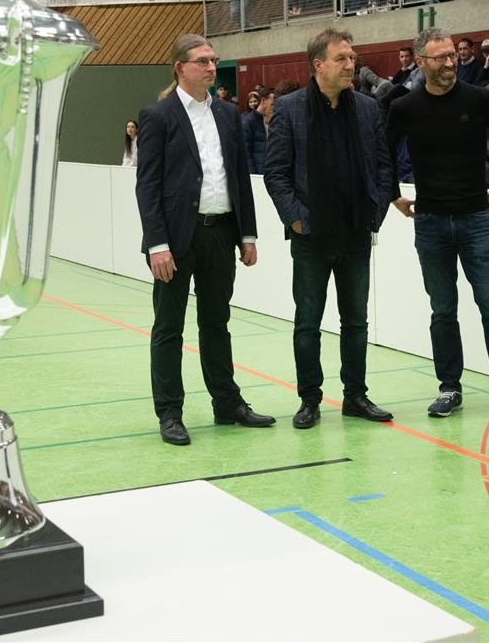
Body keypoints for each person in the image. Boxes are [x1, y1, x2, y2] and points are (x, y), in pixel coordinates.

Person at [386, 28, 489, 421]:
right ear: (420, 62)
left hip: (476, 220)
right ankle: (449, 387)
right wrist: (393, 196)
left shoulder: (478, 98)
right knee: (443, 310)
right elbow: (381, 153)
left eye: (452, 55)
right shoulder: (405, 107)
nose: (450, 62)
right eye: (440, 57)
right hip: (430, 222)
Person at [135, 34, 273, 446]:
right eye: (202, 61)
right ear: (180, 68)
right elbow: (148, 186)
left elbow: (239, 179)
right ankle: (170, 412)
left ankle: (226, 403)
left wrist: (247, 233)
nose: (211, 67)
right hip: (176, 241)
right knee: (169, 328)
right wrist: (156, 244)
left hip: (221, 233)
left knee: (217, 323)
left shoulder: (229, 115)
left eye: (213, 60)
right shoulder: (157, 116)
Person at [263, 27, 395, 430]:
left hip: (356, 232)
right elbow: (276, 174)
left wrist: (376, 212)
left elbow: (385, 167)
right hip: (311, 237)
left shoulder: (368, 108)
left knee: (356, 321)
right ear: (318, 64)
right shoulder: (288, 109)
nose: (350, 65)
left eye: (352, 58)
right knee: (308, 323)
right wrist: (297, 218)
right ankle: (309, 399)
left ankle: (355, 396)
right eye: (341, 58)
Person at [243, 86, 274, 174]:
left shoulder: (270, 119)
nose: (274, 107)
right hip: (257, 174)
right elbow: (246, 153)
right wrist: (253, 175)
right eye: (272, 104)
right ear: (263, 101)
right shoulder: (248, 121)